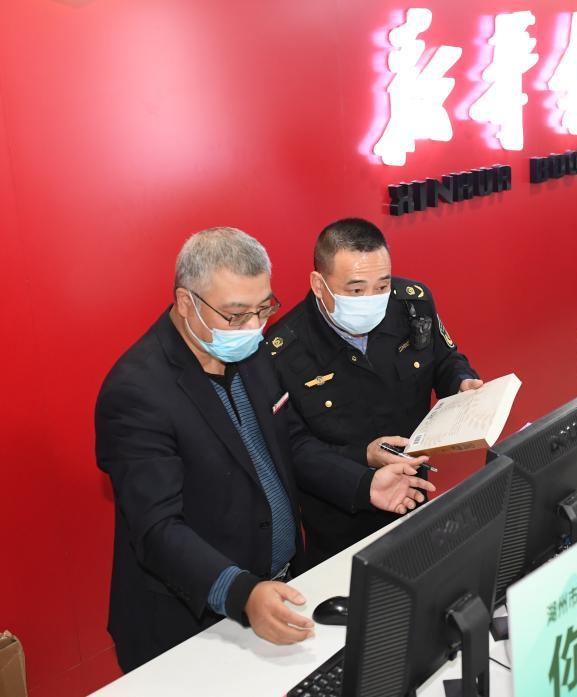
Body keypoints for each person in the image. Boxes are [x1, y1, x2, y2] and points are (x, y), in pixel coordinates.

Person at [95, 227, 434, 672]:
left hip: (280, 588)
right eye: (236, 314)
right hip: (192, 619)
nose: (254, 327)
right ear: (185, 302)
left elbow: (290, 443)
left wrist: (363, 484)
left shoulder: (251, 352)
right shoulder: (137, 392)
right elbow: (157, 529)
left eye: (263, 309)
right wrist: (242, 592)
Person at [269, 218, 481, 565]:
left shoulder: (412, 304)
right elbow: (294, 449)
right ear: (319, 285)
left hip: (414, 498)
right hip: (342, 524)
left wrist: (461, 381)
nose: (371, 299)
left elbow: (444, 359)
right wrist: (363, 457)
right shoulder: (283, 350)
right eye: (355, 291)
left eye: (382, 285)